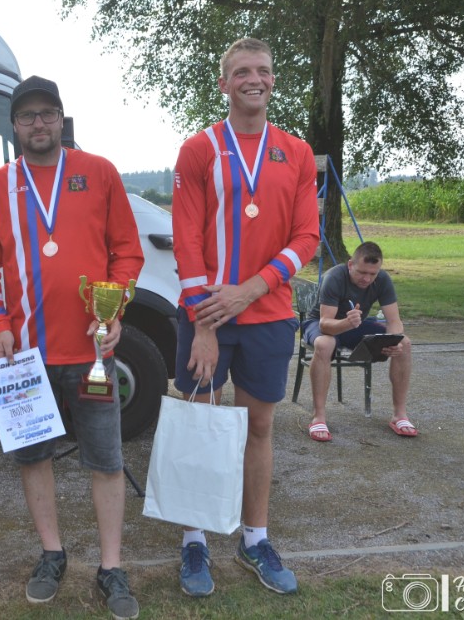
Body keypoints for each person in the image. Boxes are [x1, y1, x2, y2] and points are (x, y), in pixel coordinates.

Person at [0, 75, 145, 620]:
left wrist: (115, 311)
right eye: (27, 116)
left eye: (48, 113)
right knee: (33, 456)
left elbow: (127, 252)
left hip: (92, 353)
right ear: (14, 125)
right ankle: (52, 554)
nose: (38, 123)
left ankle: (111, 566)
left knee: (107, 460)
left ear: (61, 119)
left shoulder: (99, 172)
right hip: (22, 357)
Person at [172, 38, 319, 597]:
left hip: (268, 314)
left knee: (259, 428)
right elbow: (186, 238)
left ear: (273, 79)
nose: (253, 79)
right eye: (241, 72)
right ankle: (194, 540)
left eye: (262, 70)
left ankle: (254, 538)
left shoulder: (296, 152)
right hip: (207, 314)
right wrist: (204, 323)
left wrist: (250, 290)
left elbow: (306, 237)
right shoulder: (199, 148)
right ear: (224, 83)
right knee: (200, 427)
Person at [302, 241, 416, 440]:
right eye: (362, 272)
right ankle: (318, 417)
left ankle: (399, 415)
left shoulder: (382, 279)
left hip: (354, 324)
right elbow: (325, 324)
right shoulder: (334, 277)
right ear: (350, 265)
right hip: (322, 324)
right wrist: (346, 322)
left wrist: (394, 341)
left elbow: (394, 321)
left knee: (404, 343)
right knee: (325, 344)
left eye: (372, 274)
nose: (367, 279)